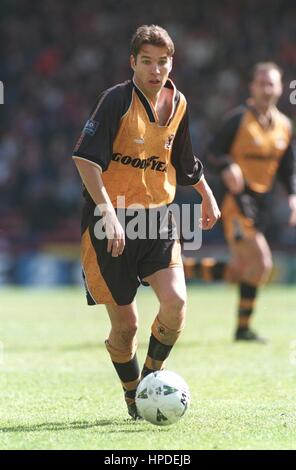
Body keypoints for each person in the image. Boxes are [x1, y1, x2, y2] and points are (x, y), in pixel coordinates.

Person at [72, 25, 220, 419]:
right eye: (147, 62)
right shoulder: (116, 100)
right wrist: (106, 211)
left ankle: (151, 382)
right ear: (133, 63)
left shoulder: (180, 103)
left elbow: (183, 162)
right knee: (126, 327)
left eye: (163, 62)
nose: (156, 70)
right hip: (111, 223)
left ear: (172, 63)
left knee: (176, 303)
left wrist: (206, 193)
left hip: (158, 219)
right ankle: (132, 394)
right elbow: (85, 159)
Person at [184, 62, 296, 342]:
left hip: (263, 203)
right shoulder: (238, 119)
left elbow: (287, 168)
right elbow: (211, 152)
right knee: (262, 262)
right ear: (252, 87)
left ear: (281, 88)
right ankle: (242, 329)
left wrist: (292, 195)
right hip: (235, 200)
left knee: (241, 270)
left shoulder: (284, 126)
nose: (267, 89)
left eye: (272, 83)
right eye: (261, 83)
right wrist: (227, 165)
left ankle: (179, 267)